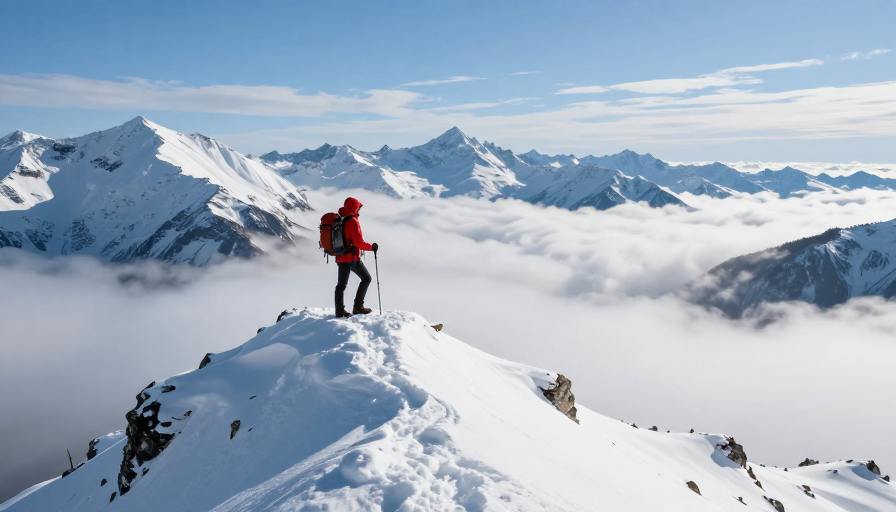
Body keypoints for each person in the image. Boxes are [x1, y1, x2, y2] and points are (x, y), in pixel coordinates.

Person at [334, 197, 378, 317]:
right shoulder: (353, 221)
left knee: (341, 285)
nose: (359, 210)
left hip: (340, 256)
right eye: (358, 207)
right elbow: (359, 243)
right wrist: (371, 247)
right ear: (355, 207)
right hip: (352, 257)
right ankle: (358, 306)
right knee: (366, 278)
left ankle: (339, 309)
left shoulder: (340, 219)